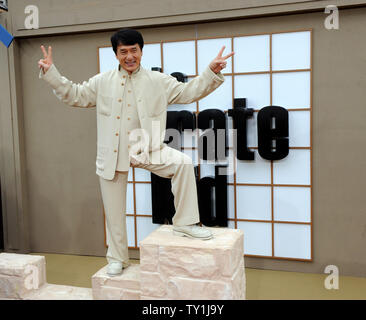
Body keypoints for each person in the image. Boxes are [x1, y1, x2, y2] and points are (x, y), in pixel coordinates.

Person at [38, 28, 234, 276]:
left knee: (183, 164)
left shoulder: (158, 81)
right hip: (112, 153)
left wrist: (211, 72)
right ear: (116, 54)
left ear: (141, 51)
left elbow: (188, 92)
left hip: (147, 147)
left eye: (134, 50)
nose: (129, 56)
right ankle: (117, 257)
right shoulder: (102, 81)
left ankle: (185, 222)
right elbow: (75, 94)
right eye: (123, 52)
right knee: (114, 211)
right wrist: (51, 73)